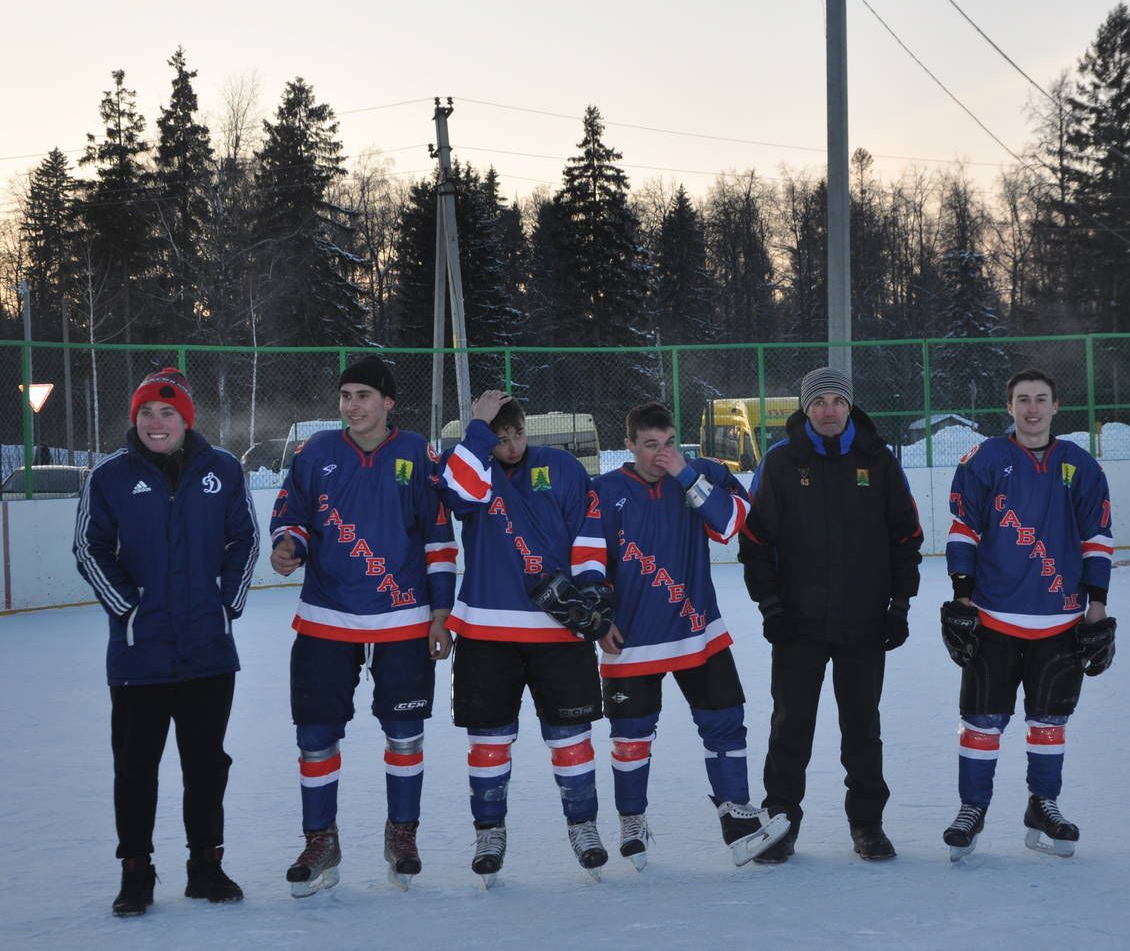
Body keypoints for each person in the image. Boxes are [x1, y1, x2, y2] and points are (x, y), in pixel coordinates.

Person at [269, 356, 459, 894]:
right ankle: (320, 838)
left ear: (388, 403)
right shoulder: (316, 452)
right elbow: (292, 513)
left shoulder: (417, 453)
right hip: (326, 619)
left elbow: (439, 540)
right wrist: (289, 545)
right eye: (346, 395)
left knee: (404, 734)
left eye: (364, 396)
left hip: (403, 620)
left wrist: (441, 612)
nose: (352, 405)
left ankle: (402, 833)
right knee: (316, 736)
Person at [74, 367, 259, 916]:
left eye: (168, 413)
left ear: (186, 419)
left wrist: (227, 603)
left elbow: (244, 538)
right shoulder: (108, 476)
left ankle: (206, 864)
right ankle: (137, 870)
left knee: (206, 765)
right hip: (140, 655)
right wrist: (129, 608)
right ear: (135, 419)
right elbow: (90, 548)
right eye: (147, 414)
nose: (157, 423)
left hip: (208, 651)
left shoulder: (222, 470)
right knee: (135, 769)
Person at [575, 402, 790, 870]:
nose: (661, 454)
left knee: (727, 724)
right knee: (630, 736)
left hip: (698, 632)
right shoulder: (603, 491)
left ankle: (737, 819)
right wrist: (597, 615)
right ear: (628, 445)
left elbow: (732, 524)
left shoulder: (698, 474)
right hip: (631, 638)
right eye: (650, 445)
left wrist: (687, 476)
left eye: (668, 443)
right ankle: (632, 820)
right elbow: (588, 557)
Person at [738, 366, 923, 863]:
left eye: (836, 401)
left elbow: (905, 536)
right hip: (797, 624)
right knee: (790, 726)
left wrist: (899, 605)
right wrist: (771, 606)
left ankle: (868, 826)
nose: (828, 411)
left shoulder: (879, 461)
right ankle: (780, 824)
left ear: (849, 405)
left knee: (862, 726)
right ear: (805, 408)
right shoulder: (779, 462)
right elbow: (755, 541)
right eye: (818, 402)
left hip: (864, 622)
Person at [438, 388, 613, 885]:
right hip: (487, 630)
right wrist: (477, 430)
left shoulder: (561, 466)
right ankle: (489, 831)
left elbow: (588, 531)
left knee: (571, 738)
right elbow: (457, 496)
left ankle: (584, 827)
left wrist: (593, 589)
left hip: (558, 631)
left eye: (517, 435)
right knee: (489, 741)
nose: (511, 446)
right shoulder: (470, 466)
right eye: (499, 438)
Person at [940, 369, 1116, 861]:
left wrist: (1096, 605)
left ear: (1056, 406)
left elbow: (1096, 539)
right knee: (981, 722)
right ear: (1009, 406)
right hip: (994, 617)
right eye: (1023, 400)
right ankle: (971, 809)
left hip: (1059, 619)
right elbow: (963, 529)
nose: (1032, 408)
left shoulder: (1080, 466)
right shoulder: (986, 459)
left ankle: (1044, 805)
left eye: (1041, 399)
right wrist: (962, 595)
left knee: (1049, 721)